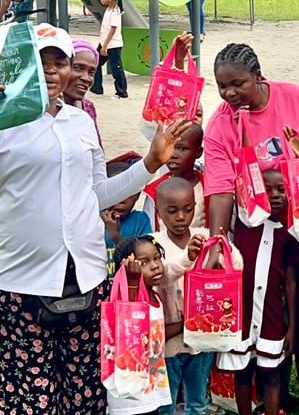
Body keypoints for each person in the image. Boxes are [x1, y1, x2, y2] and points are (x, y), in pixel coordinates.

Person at [0, 23, 190, 415]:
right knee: (31, 403)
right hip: (22, 286)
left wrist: (150, 163)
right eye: (40, 61)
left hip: (86, 282)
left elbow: (97, 194)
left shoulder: (80, 122)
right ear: (21, 66)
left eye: (60, 63)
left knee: (85, 400)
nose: (51, 71)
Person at [203, 42, 299, 237]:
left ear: (257, 76)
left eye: (238, 84)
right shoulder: (218, 127)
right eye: (222, 86)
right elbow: (221, 192)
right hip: (254, 224)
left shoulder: (295, 97)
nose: (229, 93)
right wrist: (217, 242)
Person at [153, 178, 243, 415]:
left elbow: (237, 267)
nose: (181, 217)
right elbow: (161, 276)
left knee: (198, 401)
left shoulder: (205, 236)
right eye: (172, 211)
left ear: (195, 207)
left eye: (188, 209)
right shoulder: (154, 244)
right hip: (168, 343)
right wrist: (187, 258)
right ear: (158, 210)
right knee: (166, 403)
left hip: (202, 340)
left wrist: (222, 248)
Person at [218, 168, 299, 415]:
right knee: (243, 373)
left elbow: (291, 283)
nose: (274, 195)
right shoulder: (242, 222)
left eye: (281, 190)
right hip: (241, 315)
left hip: (271, 316)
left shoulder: (290, 231)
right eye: (267, 189)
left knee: (272, 376)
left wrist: (292, 327)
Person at [109, 236, 174, 415]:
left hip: (150, 388)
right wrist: (131, 281)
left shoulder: (156, 298)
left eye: (157, 258)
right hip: (130, 396)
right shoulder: (131, 299)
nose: (154, 265)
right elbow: (127, 314)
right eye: (144, 263)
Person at [143, 123, 207, 230]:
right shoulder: (154, 191)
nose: (173, 154)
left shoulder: (208, 188)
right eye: (170, 146)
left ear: (198, 152)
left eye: (182, 149)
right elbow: (150, 228)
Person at [103, 158, 155, 278]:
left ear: (137, 195)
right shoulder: (93, 221)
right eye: (114, 192)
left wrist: (116, 236)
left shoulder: (141, 221)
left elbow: (143, 259)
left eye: (127, 193)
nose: (120, 199)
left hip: (129, 288)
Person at [92, 0, 128, 99]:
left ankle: (121, 92)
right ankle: (96, 88)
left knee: (117, 69)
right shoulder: (109, 8)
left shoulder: (115, 12)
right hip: (104, 43)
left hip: (112, 45)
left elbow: (113, 29)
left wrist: (105, 46)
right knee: (96, 63)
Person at [63, 39, 102, 143]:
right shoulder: (41, 112)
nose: (86, 78)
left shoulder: (88, 108)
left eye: (91, 72)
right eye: (77, 68)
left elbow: (97, 154)